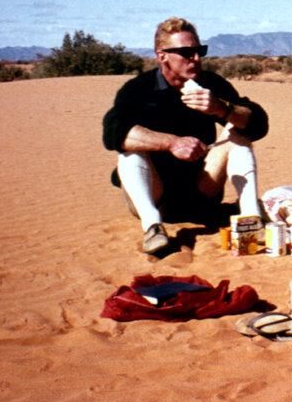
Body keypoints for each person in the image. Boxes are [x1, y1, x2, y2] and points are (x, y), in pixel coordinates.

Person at [103, 17, 268, 254]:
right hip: (156, 198)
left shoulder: (210, 84)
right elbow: (113, 132)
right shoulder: (139, 89)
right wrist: (171, 143)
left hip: (201, 194)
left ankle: (251, 219)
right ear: (162, 56)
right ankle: (152, 228)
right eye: (186, 53)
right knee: (128, 150)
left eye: (199, 51)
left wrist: (223, 108)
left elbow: (258, 124)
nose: (196, 59)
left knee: (237, 131)